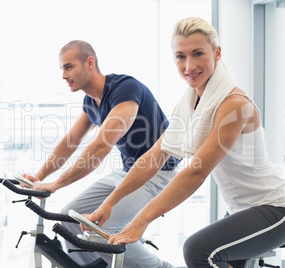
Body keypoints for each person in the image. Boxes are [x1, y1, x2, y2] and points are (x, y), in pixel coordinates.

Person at [87, 17, 285, 268]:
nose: (189, 65)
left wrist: (142, 219)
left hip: (276, 209)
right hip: (239, 209)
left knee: (197, 251)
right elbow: (156, 155)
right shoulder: (189, 103)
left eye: (198, 54)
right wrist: (111, 201)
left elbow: (196, 171)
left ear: (217, 53)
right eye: (181, 56)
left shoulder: (234, 104)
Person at [23, 40, 180, 268]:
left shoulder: (125, 89)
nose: (64, 75)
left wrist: (56, 184)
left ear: (89, 63)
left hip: (158, 172)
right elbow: (71, 142)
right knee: (70, 219)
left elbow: (100, 147)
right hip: (128, 171)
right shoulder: (91, 102)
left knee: (104, 228)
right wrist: (40, 177)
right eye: (62, 69)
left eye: (69, 67)